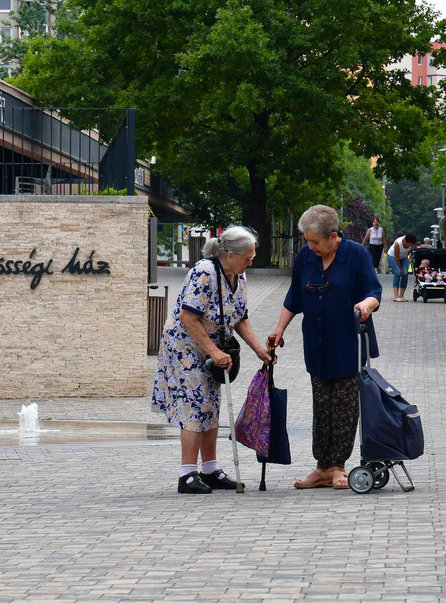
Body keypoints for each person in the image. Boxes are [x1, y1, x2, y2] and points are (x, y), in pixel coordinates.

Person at [266, 205, 381, 490]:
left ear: (333, 236)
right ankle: (322, 467)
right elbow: (294, 296)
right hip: (316, 341)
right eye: (308, 241)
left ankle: (339, 467)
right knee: (321, 406)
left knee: (344, 408)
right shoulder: (306, 257)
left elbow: (374, 292)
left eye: (315, 241)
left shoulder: (356, 254)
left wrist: (365, 305)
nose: (310, 246)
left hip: (347, 343)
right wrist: (279, 329)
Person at [151, 226, 273, 494]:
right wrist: (214, 352)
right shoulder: (204, 272)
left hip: (212, 347)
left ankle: (210, 468)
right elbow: (188, 316)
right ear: (230, 255)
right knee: (194, 405)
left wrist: (258, 350)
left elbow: (240, 317)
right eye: (248, 257)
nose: (251, 262)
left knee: (211, 404)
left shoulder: (239, 276)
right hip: (185, 347)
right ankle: (187, 474)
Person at [386, 232, 417, 302]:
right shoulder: (398, 243)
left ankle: (402, 295)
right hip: (393, 257)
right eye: (410, 244)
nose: (410, 246)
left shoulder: (411, 242)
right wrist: (400, 268)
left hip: (403, 257)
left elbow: (416, 246)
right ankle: (396, 295)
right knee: (398, 273)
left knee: (405, 273)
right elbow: (397, 257)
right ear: (406, 241)